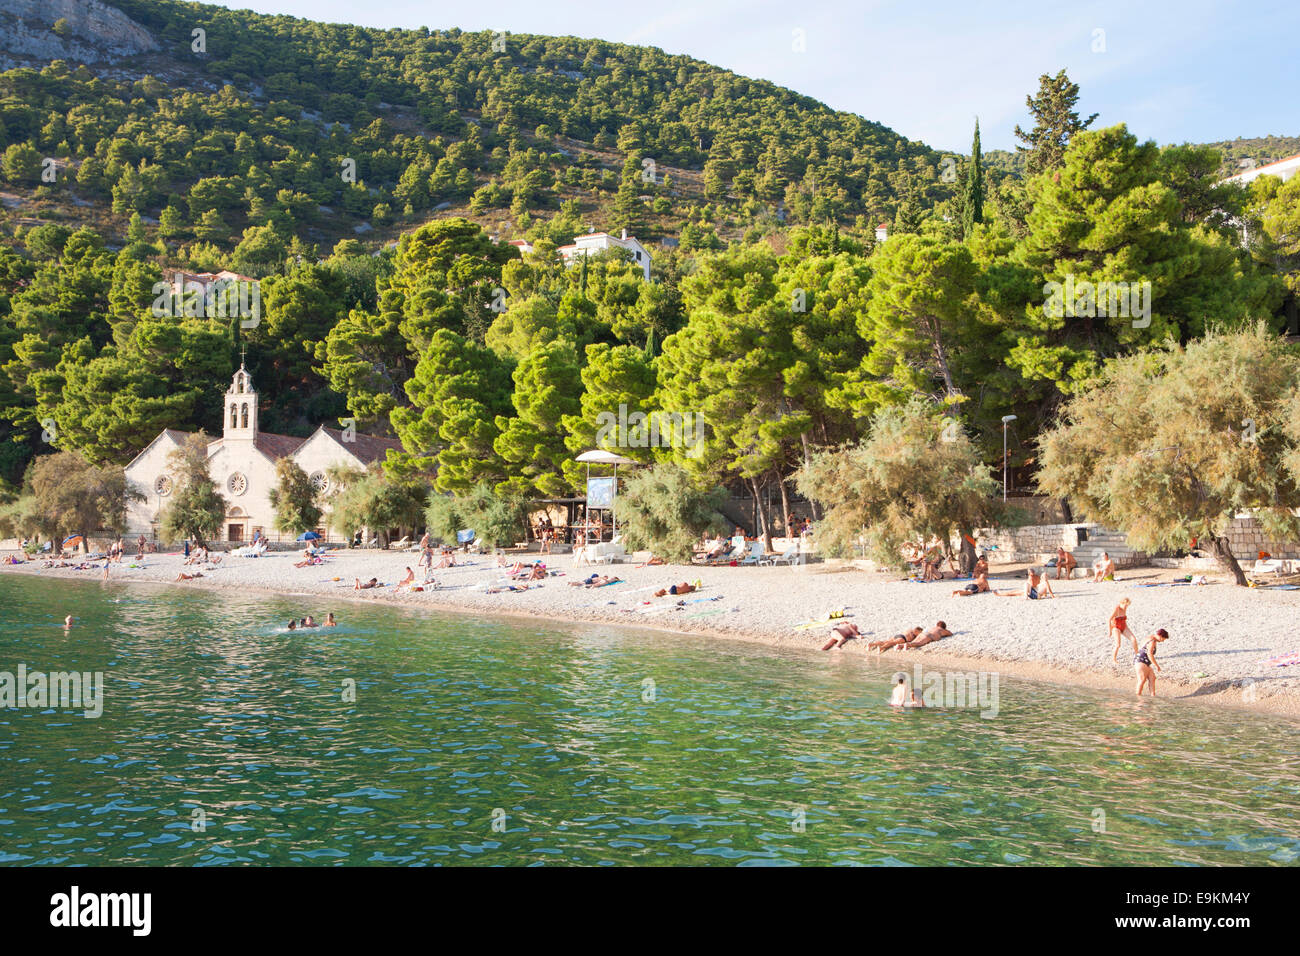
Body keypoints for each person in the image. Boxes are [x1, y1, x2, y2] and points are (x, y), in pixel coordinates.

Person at [1133, 629, 1169, 696]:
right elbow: (1150, 654)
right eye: (1163, 639)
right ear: (1160, 636)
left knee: (1152, 678)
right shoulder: (1152, 641)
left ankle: (1153, 696)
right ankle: (1138, 697)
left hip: (1144, 661)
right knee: (1142, 680)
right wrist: (1156, 665)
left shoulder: (1151, 638)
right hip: (1141, 660)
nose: (1163, 641)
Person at [1109, 598, 1136, 663]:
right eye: (1125, 605)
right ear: (1121, 603)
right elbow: (1109, 620)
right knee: (1118, 644)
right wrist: (1110, 631)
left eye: (1127, 606)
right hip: (1116, 627)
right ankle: (1114, 659)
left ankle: (1137, 654)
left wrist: (1126, 627)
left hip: (1124, 626)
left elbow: (1124, 619)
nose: (1126, 607)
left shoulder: (1124, 609)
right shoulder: (1116, 609)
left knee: (1134, 639)